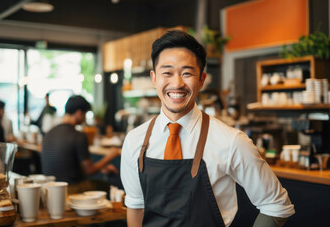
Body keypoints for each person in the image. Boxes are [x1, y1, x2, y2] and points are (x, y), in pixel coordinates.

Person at [120, 30, 295, 227]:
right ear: (154, 78)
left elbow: (277, 205)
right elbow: (136, 206)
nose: (177, 83)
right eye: (167, 73)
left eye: (187, 73)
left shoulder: (231, 141)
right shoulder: (135, 140)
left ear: (201, 80)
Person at [41, 95, 121, 193]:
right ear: (79, 113)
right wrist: (110, 156)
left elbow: (68, 167)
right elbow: (89, 170)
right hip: (71, 189)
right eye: (85, 114)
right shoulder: (78, 136)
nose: (84, 119)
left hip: (50, 190)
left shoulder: (49, 133)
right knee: (106, 186)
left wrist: (101, 168)